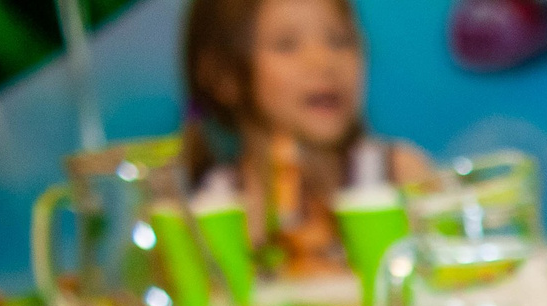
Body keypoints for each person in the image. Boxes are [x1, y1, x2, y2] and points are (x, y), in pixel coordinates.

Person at [180, 0, 431, 277]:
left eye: (340, 40)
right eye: (287, 44)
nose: (324, 62)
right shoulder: (216, 205)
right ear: (223, 76)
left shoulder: (403, 175)